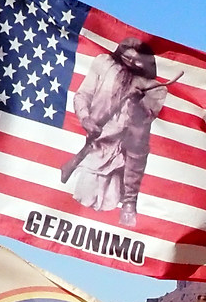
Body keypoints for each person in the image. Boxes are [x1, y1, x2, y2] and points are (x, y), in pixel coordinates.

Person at [61, 38, 171, 226]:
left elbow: (143, 123)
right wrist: (86, 119)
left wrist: (137, 104)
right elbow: (83, 95)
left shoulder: (156, 90)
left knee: (110, 212)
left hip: (124, 157)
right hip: (94, 148)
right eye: (128, 57)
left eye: (138, 61)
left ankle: (129, 202)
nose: (132, 63)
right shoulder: (103, 64)